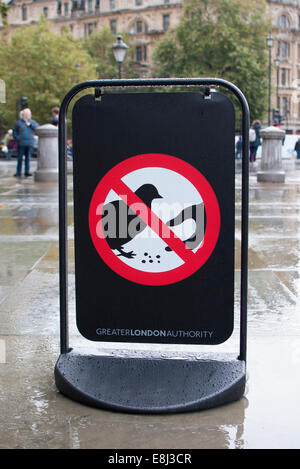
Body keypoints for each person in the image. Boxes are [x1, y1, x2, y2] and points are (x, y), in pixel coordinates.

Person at [13, 108, 39, 177]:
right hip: (21, 143)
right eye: (27, 114)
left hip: (30, 142)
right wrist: (17, 138)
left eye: (29, 114)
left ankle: (27, 171)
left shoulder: (32, 122)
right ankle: (18, 172)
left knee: (28, 158)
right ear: (24, 115)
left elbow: (38, 128)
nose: (29, 116)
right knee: (20, 158)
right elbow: (14, 132)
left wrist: (30, 125)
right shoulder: (18, 123)